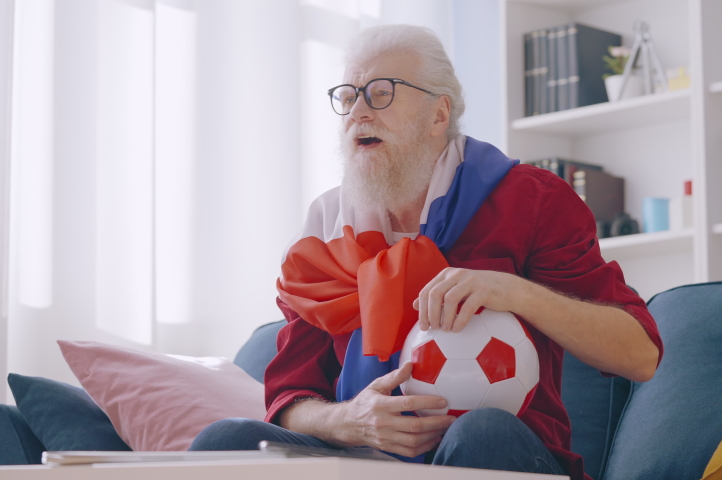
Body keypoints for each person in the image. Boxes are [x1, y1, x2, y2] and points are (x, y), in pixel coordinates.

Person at [190, 24, 663, 479]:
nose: (358, 112)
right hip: (359, 457)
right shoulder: (324, 228)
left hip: (496, 452)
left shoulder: (532, 199)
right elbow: (289, 399)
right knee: (223, 442)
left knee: (481, 432)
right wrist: (348, 419)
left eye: (381, 92)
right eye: (348, 97)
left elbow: (640, 356)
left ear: (439, 114)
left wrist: (517, 293)